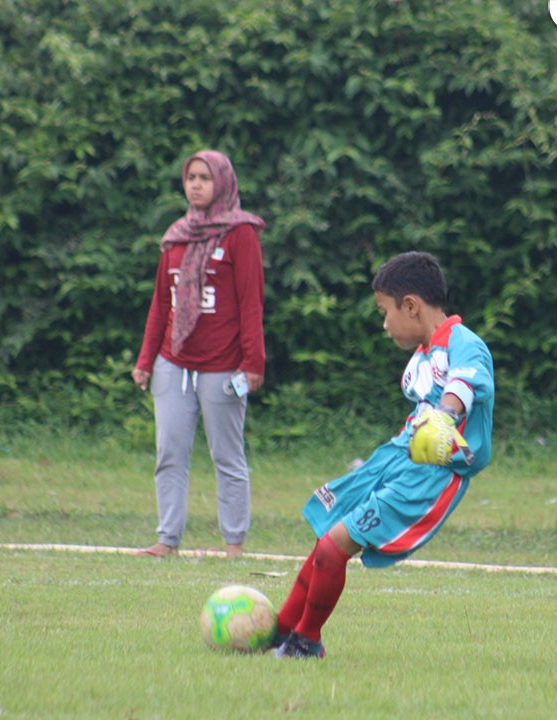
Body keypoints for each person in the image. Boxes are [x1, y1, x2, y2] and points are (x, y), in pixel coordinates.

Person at [272, 251, 494, 658]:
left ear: (410, 305)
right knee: (327, 534)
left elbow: (464, 385)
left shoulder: (464, 343)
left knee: (334, 545)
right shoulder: (426, 351)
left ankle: (306, 641)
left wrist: (445, 416)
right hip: (396, 457)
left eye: (384, 311)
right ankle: (281, 629)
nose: (383, 323)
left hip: (430, 472)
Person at [131, 150, 266, 559]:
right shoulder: (175, 237)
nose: (195, 184)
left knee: (227, 456)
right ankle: (167, 540)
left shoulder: (240, 235)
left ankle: (233, 545)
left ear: (222, 182)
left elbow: (251, 303)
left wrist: (253, 363)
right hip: (172, 363)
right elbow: (160, 305)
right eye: (190, 177)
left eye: (205, 177)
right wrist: (144, 360)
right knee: (169, 452)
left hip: (222, 367)